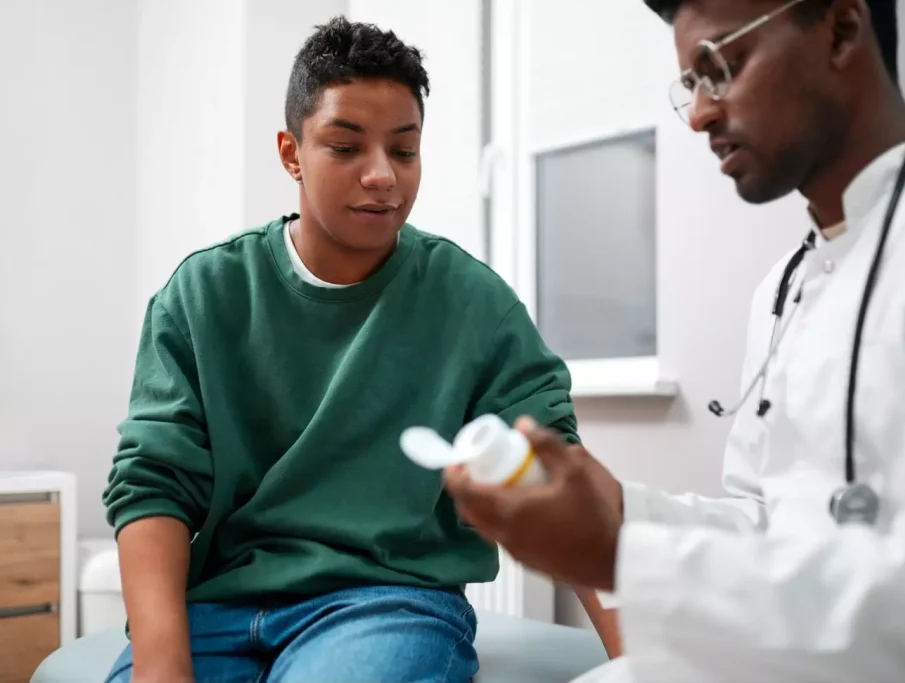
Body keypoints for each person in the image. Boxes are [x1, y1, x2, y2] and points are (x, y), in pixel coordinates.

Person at [443, 0, 905, 680]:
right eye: (691, 83)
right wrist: (621, 511)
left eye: (721, 66)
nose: (699, 115)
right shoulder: (786, 287)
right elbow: (772, 523)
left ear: (840, 27)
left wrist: (621, 555)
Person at [102, 17, 590, 683]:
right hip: (215, 606)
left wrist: (648, 660)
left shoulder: (470, 301)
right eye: (346, 147)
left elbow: (559, 473)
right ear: (291, 152)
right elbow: (153, 481)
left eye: (405, 150)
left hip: (384, 602)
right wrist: (162, 666)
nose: (383, 176)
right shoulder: (205, 293)